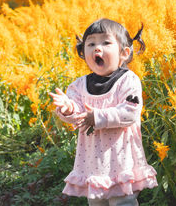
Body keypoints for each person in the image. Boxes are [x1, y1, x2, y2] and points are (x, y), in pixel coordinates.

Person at [49, 18, 158, 206]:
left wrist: (97, 117)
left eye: (106, 42)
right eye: (91, 44)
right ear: (83, 53)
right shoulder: (78, 86)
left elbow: (130, 112)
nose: (97, 48)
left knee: (123, 201)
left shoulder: (128, 81)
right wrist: (67, 108)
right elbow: (77, 113)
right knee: (96, 203)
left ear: (124, 53)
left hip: (122, 160)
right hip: (94, 163)